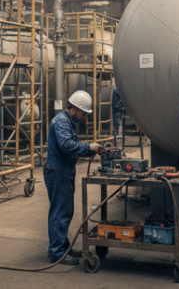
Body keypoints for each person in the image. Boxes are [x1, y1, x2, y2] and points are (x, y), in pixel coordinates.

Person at [45, 90, 102, 265]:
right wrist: (88, 147)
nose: (84, 116)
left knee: (66, 211)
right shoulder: (62, 122)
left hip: (64, 170)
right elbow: (66, 145)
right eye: (83, 113)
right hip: (59, 171)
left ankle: (62, 246)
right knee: (60, 212)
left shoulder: (68, 121)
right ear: (74, 109)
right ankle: (57, 252)